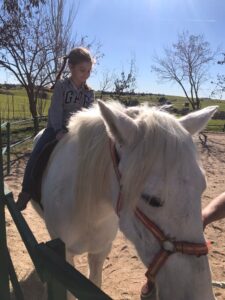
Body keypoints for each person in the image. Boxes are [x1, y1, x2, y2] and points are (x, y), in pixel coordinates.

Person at [16, 47, 95, 211]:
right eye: (82, 70)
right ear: (71, 67)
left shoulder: (89, 93)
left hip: (78, 131)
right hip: (56, 128)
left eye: (89, 71)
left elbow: (89, 113)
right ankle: (27, 190)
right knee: (37, 153)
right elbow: (56, 110)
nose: (86, 74)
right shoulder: (61, 86)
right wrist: (58, 130)